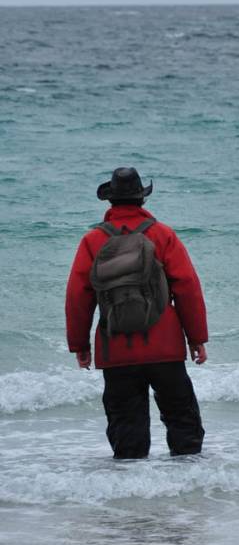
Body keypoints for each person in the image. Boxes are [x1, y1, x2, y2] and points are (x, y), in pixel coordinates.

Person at [66, 167, 208, 459]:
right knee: (184, 426)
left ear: (110, 202)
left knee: (126, 432)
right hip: (165, 347)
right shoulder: (162, 234)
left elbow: (78, 297)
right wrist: (197, 338)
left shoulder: (92, 241)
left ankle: (130, 498)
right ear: (142, 199)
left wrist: (80, 345)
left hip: (115, 347)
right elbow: (187, 288)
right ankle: (190, 493)